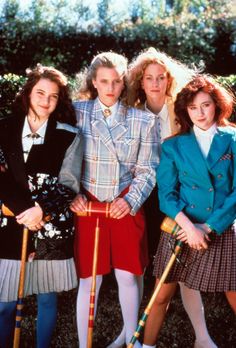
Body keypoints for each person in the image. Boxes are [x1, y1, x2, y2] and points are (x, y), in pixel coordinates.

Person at [110, 47, 217, 348]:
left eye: (161, 77)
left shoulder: (182, 112)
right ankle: (129, 331)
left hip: (177, 195)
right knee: (141, 262)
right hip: (143, 194)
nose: (155, 83)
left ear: (170, 80)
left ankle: (202, 335)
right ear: (140, 82)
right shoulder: (131, 113)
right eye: (149, 78)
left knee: (181, 263)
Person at [62, 51, 158, 348]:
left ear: (124, 81)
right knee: (90, 281)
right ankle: (83, 344)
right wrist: (71, 194)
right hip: (88, 204)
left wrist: (130, 201)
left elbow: (148, 169)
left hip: (125, 204)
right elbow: (63, 161)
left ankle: (132, 341)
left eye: (117, 81)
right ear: (93, 81)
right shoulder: (75, 111)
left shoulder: (142, 120)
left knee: (128, 276)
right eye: (104, 81)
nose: (110, 88)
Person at [142, 75, 236, 348]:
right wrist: (188, 227)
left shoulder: (232, 139)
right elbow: (166, 195)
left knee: (233, 292)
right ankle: (146, 345)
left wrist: (208, 227)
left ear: (217, 106)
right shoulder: (173, 145)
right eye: (193, 108)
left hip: (220, 226)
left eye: (206, 105)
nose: (200, 113)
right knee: (161, 295)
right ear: (185, 111)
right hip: (181, 228)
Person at [0, 64, 83, 348]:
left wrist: (42, 210)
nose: (45, 101)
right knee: (6, 304)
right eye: (40, 93)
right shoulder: (4, 128)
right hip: (10, 224)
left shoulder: (69, 135)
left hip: (51, 229)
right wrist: (26, 212)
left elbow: (70, 183)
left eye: (54, 96)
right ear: (27, 93)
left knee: (47, 299)